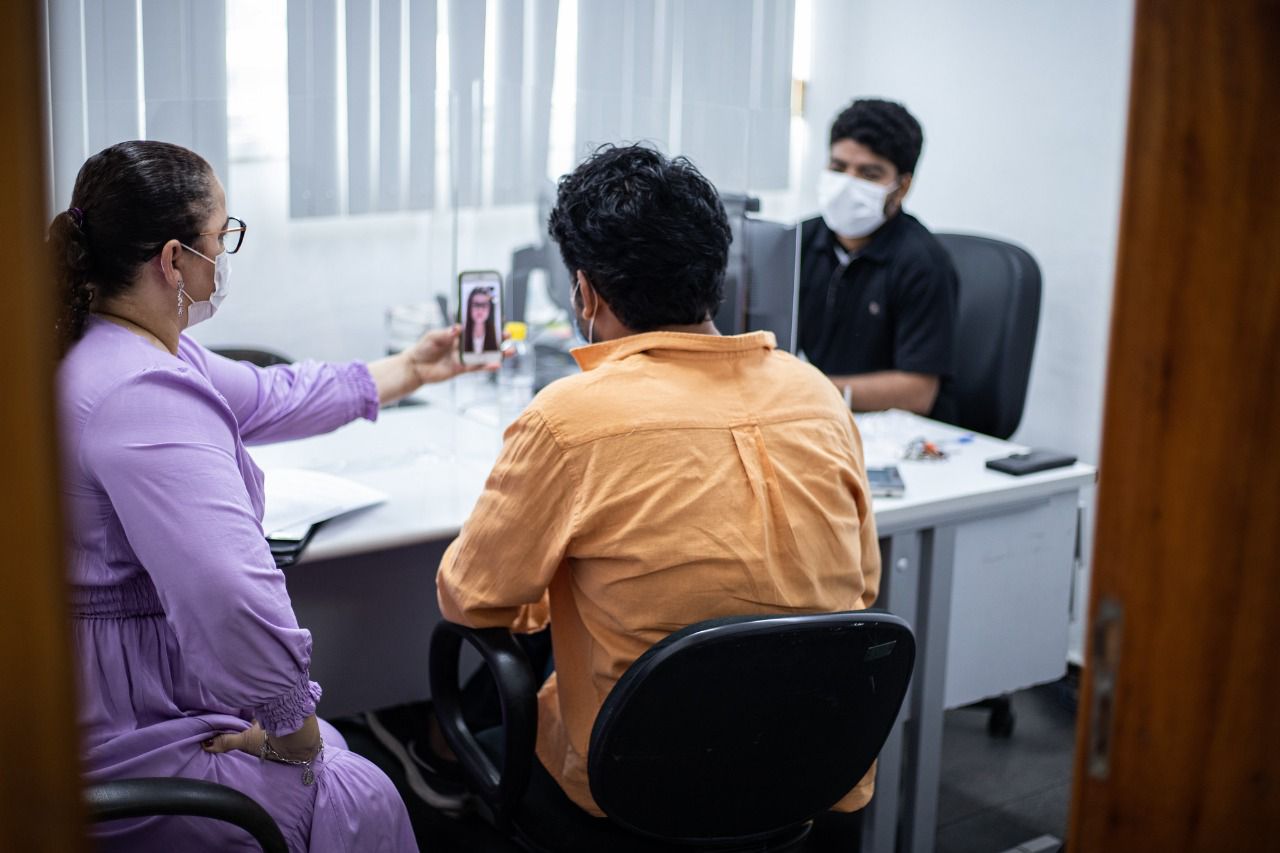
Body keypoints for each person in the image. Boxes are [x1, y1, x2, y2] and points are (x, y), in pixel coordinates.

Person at [433, 144, 882, 844]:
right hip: (807, 774)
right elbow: (863, 584)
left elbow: (470, 596)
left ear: (585, 293)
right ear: (716, 278)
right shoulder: (817, 395)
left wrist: (547, 595)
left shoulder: (568, 419)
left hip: (631, 791)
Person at [53, 140, 486, 852]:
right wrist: (293, 729)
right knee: (360, 791)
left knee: (341, 756)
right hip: (124, 716)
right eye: (223, 237)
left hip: (120, 682)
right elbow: (229, 589)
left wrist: (409, 368)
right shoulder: (141, 392)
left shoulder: (126, 344)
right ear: (173, 260)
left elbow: (271, 394)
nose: (225, 256)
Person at [798, 98, 959, 421]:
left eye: (869, 174)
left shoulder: (924, 263)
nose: (847, 183)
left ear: (902, 187)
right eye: (838, 167)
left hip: (893, 433)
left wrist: (808, 391)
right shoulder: (799, 241)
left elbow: (917, 391)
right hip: (815, 419)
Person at [463, 286, 499, 354]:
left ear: (490, 309)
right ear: (469, 307)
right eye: (476, 305)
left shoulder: (497, 336)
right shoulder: (462, 336)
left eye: (484, 305)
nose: (480, 310)